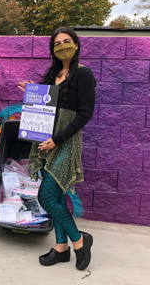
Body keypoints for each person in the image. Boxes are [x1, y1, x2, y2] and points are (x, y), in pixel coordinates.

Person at [18, 27, 96, 271]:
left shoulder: (83, 75)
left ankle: (80, 241)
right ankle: (61, 248)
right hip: (45, 140)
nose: (62, 46)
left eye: (67, 41)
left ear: (76, 44)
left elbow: (85, 114)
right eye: (57, 43)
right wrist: (33, 91)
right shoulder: (53, 73)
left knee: (46, 196)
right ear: (52, 49)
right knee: (58, 196)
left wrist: (57, 139)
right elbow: (44, 103)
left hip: (65, 142)